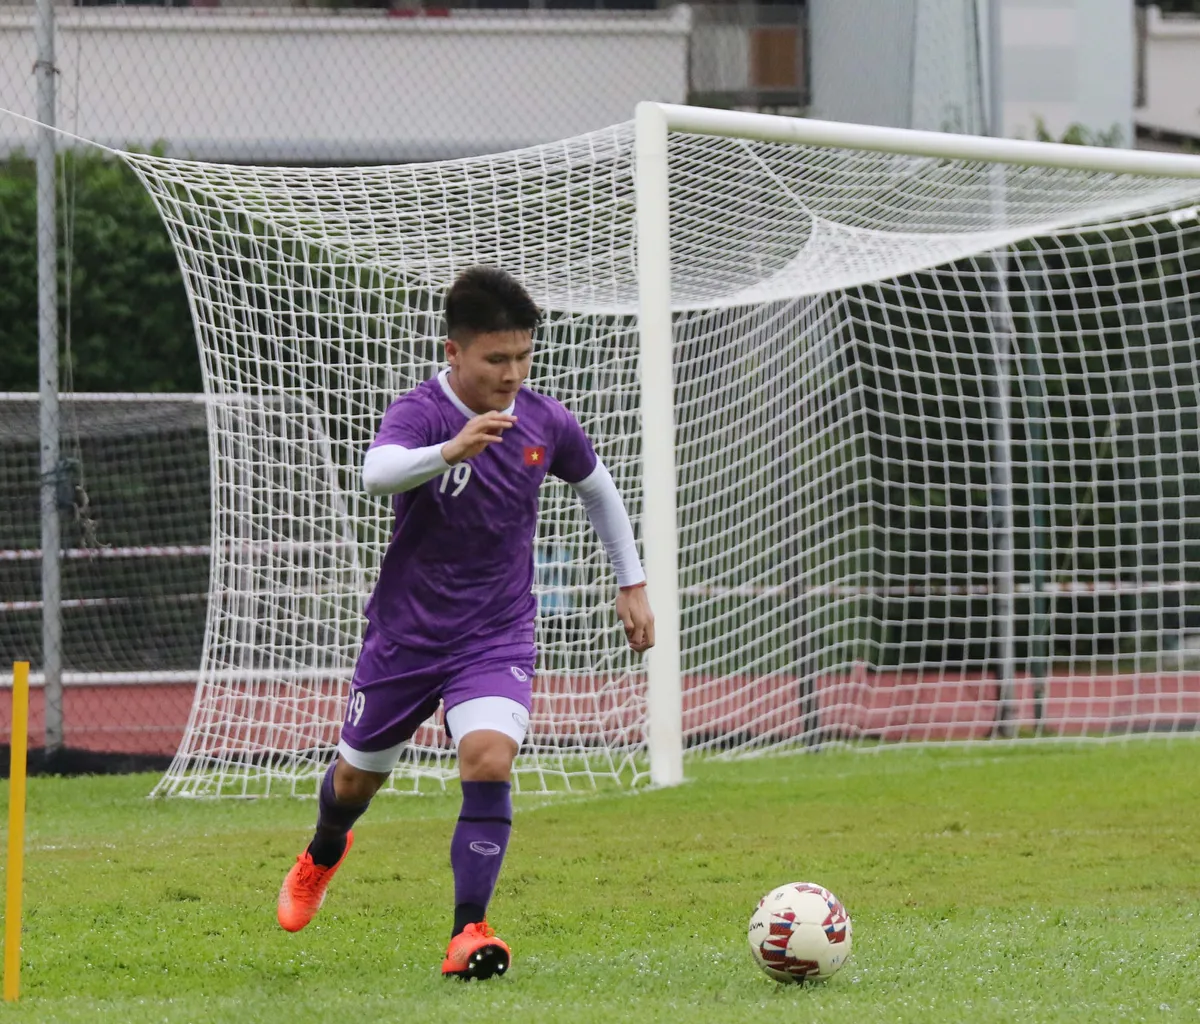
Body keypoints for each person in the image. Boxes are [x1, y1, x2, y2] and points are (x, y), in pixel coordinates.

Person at [276, 266, 655, 981]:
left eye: (522, 357)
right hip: (406, 638)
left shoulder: (546, 420)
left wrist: (631, 584)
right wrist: (451, 450)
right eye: (495, 359)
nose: (512, 374)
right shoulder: (421, 412)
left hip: (496, 633)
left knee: (488, 758)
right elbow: (376, 473)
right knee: (354, 785)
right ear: (454, 353)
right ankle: (323, 852)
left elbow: (599, 490)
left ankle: (468, 932)